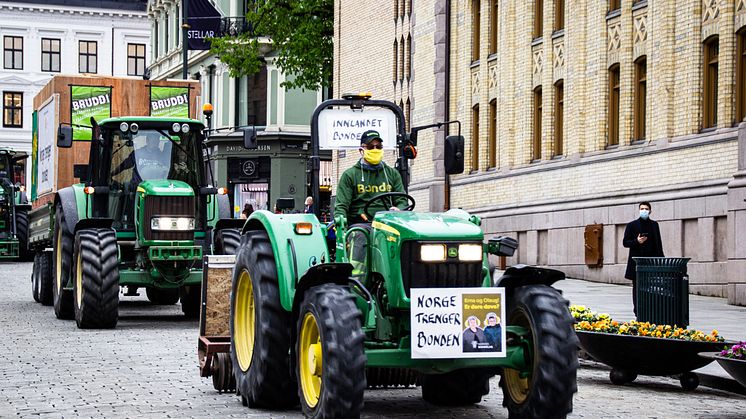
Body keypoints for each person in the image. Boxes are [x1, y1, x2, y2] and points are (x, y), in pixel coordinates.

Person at [334, 130, 408, 276]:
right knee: (360, 236)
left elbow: (402, 200)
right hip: (362, 223)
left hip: (388, 223)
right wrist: (341, 227)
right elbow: (341, 206)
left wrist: (399, 209)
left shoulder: (392, 174)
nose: (375, 150)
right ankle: (356, 280)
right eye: (371, 147)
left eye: (378, 147)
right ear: (361, 150)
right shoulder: (350, 175)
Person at [623, 201, 665, 316]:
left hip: (651, 262)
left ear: (650, 211)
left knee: (651, 287)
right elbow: (625, 242)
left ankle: (649, 309)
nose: (644, 211)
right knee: (637, 287)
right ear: (639, 210)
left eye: (646, 209)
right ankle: (638, 311)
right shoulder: (632, 225)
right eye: (642, 209)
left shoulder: (654, 225)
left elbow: (658, 244)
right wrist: (637, 241)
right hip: (636, 263)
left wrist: (661, 260)